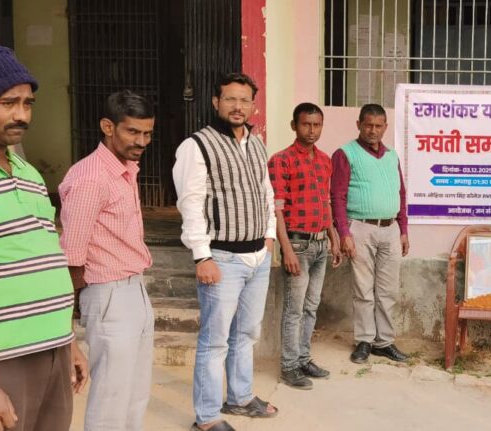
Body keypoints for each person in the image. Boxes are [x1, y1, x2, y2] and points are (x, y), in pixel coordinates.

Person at [0, 46, 86, 431]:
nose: (22, 115)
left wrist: (67, 342)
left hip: (51, 352)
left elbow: (43, 260)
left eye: (28, 103)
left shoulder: (28, 174)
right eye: (8, 103)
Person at [173, 72, 278, 431]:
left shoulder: (257, 143)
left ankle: (240, 397)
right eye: (230, 99)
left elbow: (266, 193)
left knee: (246, 334)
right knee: (214, 341)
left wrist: (268, 236)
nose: (238, 106)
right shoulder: (197, 146)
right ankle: (206, 417)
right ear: (216, 102)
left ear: (253, 106)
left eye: (245, 100)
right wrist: (202, 256)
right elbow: (190, 204)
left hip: (257, 256)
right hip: (222, 259)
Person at [60, 90, 155, 430]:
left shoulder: (125, 168)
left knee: (135, 395)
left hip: (135, 288)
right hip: (108, 294)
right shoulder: (90, 177)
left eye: (147, 133)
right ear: (108, 126)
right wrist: (68, 322)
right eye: (133, 131)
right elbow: (72, 255)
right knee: (111, 399)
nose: (141, 141)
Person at [268, 102, 342, 390]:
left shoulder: (324, 160)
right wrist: (285, 248)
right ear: (294, 126)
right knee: (294, 309)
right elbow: (277, 209)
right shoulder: (281, 160)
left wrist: (333, 237)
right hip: (297, 245)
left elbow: (326, 201)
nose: (311, 130)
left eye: (316, 125)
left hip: (321, 243)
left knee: (311, 307)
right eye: (306, 124)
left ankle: (303, 358)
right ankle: (289, 367)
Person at [330, 103, 410, 364]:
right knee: (363, 289)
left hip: (390, 229)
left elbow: (400, 193)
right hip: (360, 227)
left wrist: (403, 229)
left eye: (378, 126)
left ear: (385, 127)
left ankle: (383, 342)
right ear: (359, 125)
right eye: (368, 125)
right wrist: (344, 233)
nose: (373, 130)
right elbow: (337, 196)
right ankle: (364, 340)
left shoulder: (392, 156)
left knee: (388, 290)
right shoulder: (345, 154)